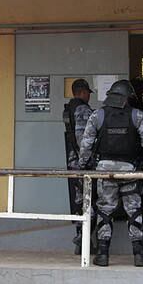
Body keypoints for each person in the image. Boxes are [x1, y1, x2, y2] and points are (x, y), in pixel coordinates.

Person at [77, 79, 143, 267]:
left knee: (105, 209)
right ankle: (139, 254)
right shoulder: (137, 115)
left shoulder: (98, 115)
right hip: (129, 170)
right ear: (127, 97)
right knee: (134, 210)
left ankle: (103, 254)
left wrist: (83, 165)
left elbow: (86, 143)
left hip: (104, 170)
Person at [63, 79, 95, 255]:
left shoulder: (69, 108)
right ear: (82, 92)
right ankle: (83, 241)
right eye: (88, 93)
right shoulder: (82, 108)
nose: (89, 96)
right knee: (88, 201)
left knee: (78, 201)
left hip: (72, 161)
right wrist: (86, 160)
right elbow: (83, 139)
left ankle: (81, 241)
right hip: (82, 163)